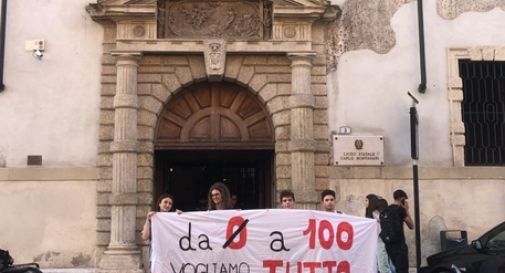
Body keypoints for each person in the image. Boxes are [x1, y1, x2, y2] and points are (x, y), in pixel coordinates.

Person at [382, 189, 414, 273]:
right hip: (399, 246)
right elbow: (411, 225)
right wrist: (406, 210)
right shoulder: (400, 210)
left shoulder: (385, 211)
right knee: (402, 270)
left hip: (388, 246)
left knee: (393, 269)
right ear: (402, 199)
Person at [366, 195, 392, 273]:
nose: (365, 202)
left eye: (366, 200)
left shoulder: (375, 213)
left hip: (381, 239)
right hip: (378, 239)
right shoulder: (372, 212)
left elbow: (383, 222)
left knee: (383, 265)